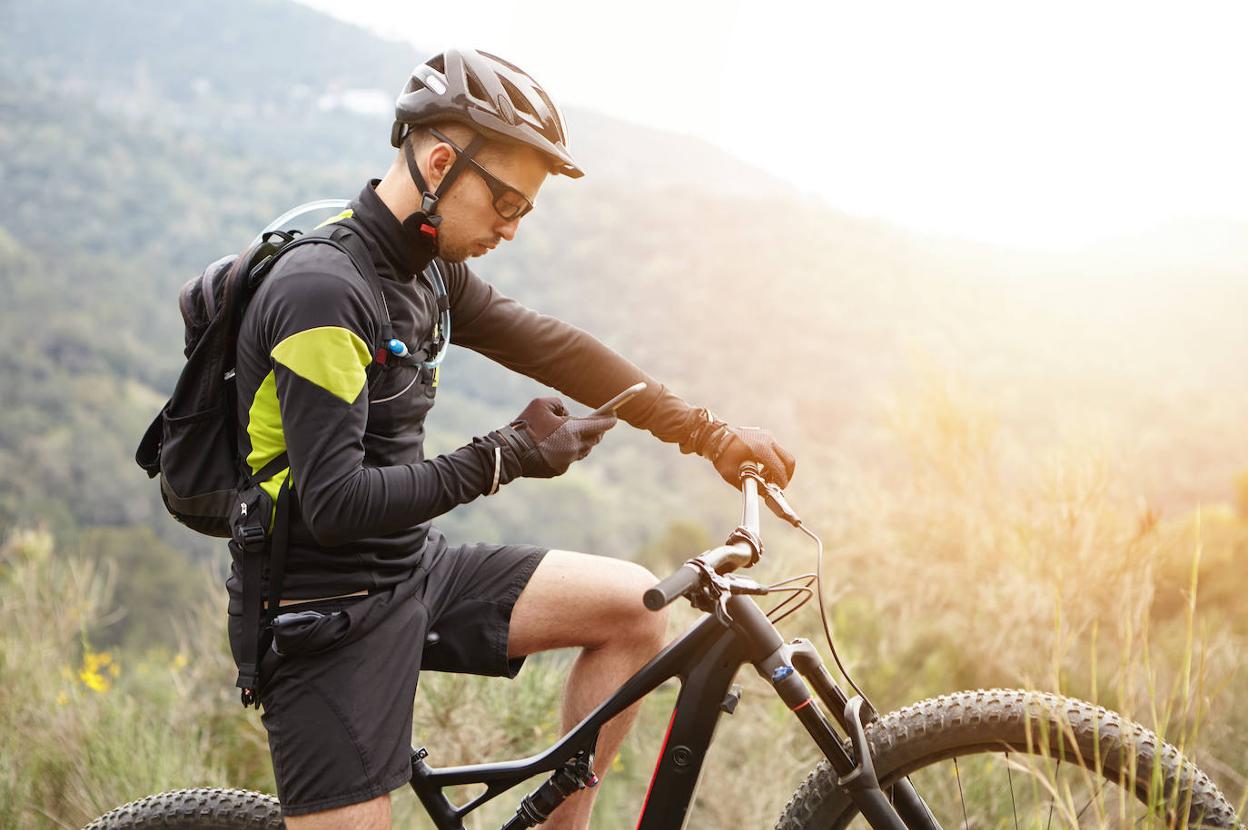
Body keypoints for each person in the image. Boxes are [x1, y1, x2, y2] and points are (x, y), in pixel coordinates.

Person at [228, 47, 796, 829]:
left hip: (407, 566)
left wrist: (705, 432)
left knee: (634, 610)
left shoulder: (426, 270)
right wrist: (501, 456)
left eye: (524, 211)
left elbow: (554, 348)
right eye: (505, 205)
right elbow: (334, 502)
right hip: (323, 610)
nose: (512, 228)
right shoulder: (322, 292)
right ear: (438, 161)